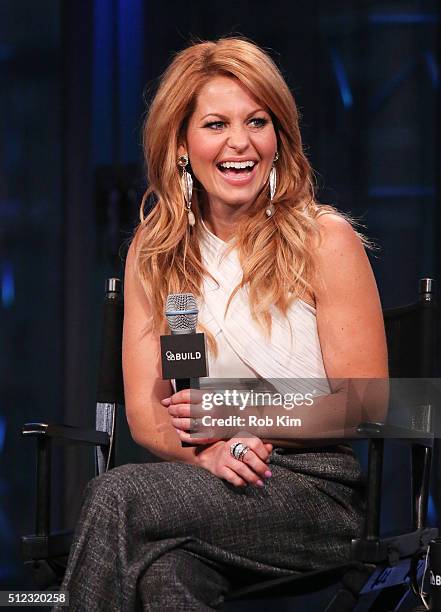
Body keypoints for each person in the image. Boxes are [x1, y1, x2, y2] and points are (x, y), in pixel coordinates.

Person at [57, 37, 388, 611]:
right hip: (208, 478)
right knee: (165, 575)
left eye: (257, 122)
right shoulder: (160, 253)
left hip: (315, 491)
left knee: (118, 495)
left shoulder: (322, 239)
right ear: (182, 145)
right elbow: (148, 410)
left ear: (278, 136)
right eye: (216, 124)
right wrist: (205, 453)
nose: (241, 142)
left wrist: (240, 413)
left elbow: (373, 405)